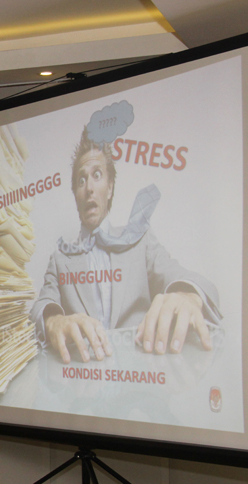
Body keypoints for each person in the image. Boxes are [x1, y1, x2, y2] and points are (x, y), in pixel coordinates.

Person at [30, 128, 221, 364]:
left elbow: (186, 278)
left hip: (141, 376)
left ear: (110, 187)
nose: (89, 188)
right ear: (75, 195)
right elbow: (40, 307)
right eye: (81, 180)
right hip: (82, 377)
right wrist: (53, 321)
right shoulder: (60, 260)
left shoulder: (140, 240)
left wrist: (187, 296)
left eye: (97, 175)